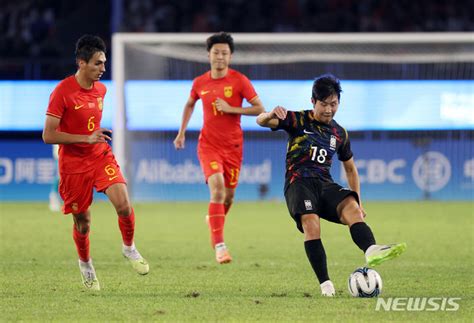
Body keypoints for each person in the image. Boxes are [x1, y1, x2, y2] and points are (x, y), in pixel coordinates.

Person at [256, 74, 406, 296]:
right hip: (299, 183)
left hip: (325, 184)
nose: (328, 109)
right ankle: (326, 285)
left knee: (353, 209)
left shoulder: (339, 133)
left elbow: (350, 169)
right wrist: (269, 114)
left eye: (333, 104)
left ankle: (371, 249)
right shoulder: (297, 119)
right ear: (313, 102)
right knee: (312, 225)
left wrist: (359, 200)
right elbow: (260, 120)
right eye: (324, 104)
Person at [42, 35, 149, 291]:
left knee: (123, 204)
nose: (103, 69)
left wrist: (94, 136)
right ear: (81, 63)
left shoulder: (101, 89)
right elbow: (48, 135)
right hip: (73, 166)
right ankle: (86, 265)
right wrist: (85, 137)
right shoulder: (62, 92)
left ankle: (129, 248)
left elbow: (88, 123)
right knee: (83, 222)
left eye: (104, 63)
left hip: (99, 155)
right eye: (98, 63)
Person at [173, 32, 264, 264]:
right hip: (208, 145)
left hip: (233, 147)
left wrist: (232, 109)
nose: (220, 57)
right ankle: (220, 247)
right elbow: (189, 104)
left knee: (229, 196)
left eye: (224, 53)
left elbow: (259, 108)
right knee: (218, 190)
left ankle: (213, 219)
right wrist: (181, 132)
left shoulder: (239, 80)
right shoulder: (200, 82)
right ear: (208, 55)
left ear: (230, 56)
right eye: (216, 53)